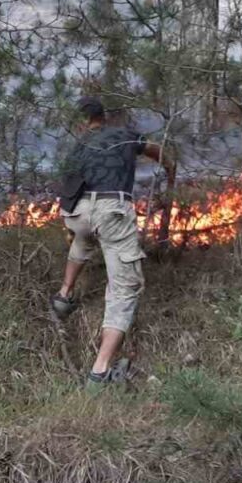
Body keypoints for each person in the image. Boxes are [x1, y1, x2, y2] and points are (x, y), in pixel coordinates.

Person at [49, 96, 175, 384]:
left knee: (83, 239)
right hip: (112, 210)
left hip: (76, 212)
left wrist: (71, 221)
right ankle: (100, 371)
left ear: (82, 122)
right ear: (103, 117)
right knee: (124, 288)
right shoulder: (123, 134)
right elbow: (155, 150)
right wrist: (169, 167)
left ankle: (64, 296)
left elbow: (68, 183)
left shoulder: (78, 145)